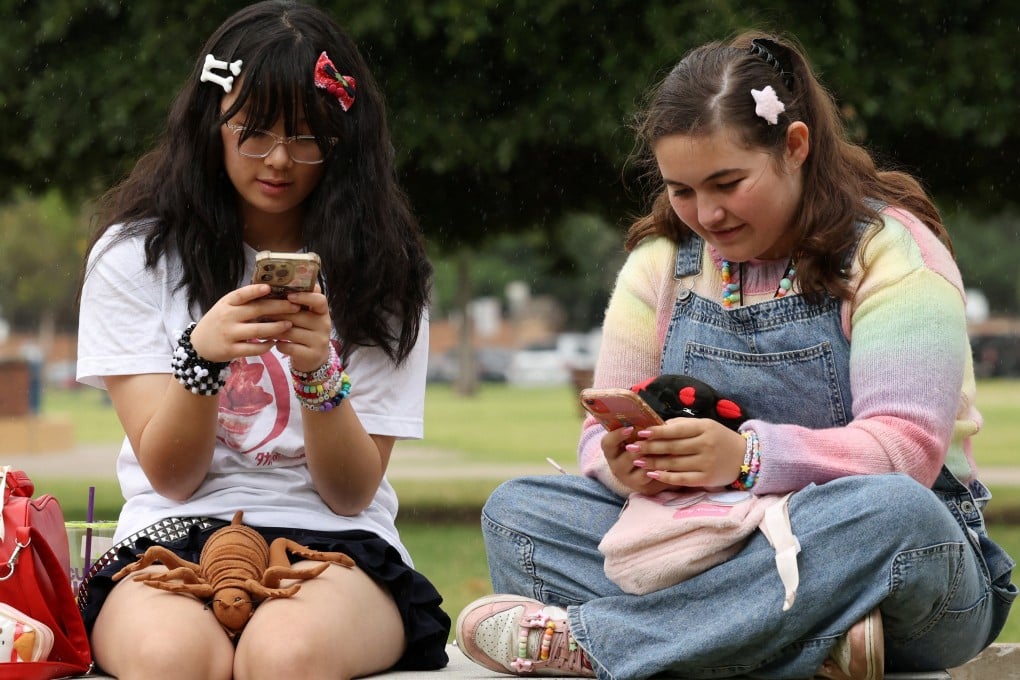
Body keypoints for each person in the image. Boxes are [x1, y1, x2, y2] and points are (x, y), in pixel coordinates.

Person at [454, 31, 1016, 680]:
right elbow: (595, 431)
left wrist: (746, 459)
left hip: (891, 565)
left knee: (891, 511)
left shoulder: (890, 251)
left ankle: (604, 642)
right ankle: (795, 638)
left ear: (795, 147)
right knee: (518, 512)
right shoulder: (659, 264)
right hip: (699, 541)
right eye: (682, 191)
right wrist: (620, 465)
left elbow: (907, 451)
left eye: (727, 182)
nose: (707, 213)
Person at [75, 2, 450, 678]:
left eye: (308, 136)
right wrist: (202, 358)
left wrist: (317, 373)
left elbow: (350, 493)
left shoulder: (384, 271)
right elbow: (173, 476)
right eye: (252, 132)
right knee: (170, 658)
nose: (279, 158)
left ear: (345, 141)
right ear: (209, 125)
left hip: (337, 544)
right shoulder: (133, 258)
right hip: (170, 535)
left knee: (285, 655)